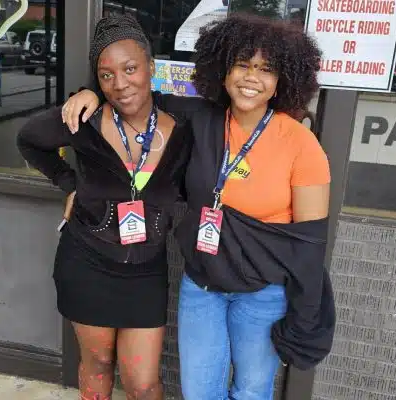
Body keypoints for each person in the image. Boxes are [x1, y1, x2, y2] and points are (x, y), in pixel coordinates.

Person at [61, 13, 336, 400]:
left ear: (282, 80)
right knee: (199, 393)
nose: (251, 77)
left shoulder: (301, 145)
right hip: (203, 288)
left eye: (266, 69)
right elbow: (135, 97)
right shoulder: (200, 119)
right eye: (242, 64)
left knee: (251, 392)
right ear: (223, 70)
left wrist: (304, 318)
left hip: (263, 292)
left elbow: (309, 242)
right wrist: (90, 92)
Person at [16, 15, 192, 400]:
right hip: (87, 263)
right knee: (97, 364)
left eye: (130, 69)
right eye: (106, 75)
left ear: (151, 67)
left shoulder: (182, 124)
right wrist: (68, 183)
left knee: (142, 383)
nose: (120, 84)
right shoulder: (85, 119)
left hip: (146, 272)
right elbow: (29, 140)